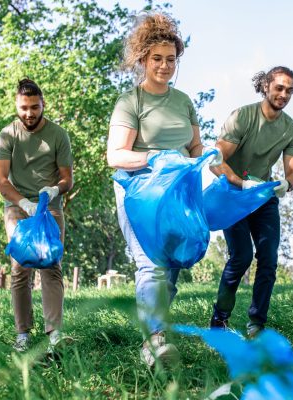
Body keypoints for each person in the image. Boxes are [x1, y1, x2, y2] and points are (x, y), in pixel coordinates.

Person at [106, 12, 221, 367]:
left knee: (171, 268)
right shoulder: (131, 102)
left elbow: (194, 147)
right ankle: (154, 342)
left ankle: (153, 330)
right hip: (140, 193)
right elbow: (115, 155)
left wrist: (212, 159)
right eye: (157, 58)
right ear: (143, 59)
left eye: (171, 59)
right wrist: (154, 157)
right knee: (151, 264)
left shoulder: (184, 101)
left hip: (179, 195)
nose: (165, 65)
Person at [207, 67, 293, 338]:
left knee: (268, 259)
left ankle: (257, 324)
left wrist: (287, 184)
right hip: (233, 195)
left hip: (262, 195)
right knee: (241, 257)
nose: (283, 94)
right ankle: (219, 320)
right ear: (265, 86)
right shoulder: (243, 117)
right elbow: (215, 160)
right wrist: (240, 182)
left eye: (289, 90)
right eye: (279, 88)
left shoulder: (291, 129)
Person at [0, 78, 74, 353]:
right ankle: (23, 334)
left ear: (43, 105)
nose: (29, 113)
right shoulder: (8, 135)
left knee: (51, 265)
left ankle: (54, 334)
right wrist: (23, 203)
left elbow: (67, 179)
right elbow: (1, 180)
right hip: (18, 205)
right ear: (17, 106)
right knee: (20, 267)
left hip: (49, 206)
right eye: (24, 108)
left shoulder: (58, 135)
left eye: (34, 107)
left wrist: (54, 190)